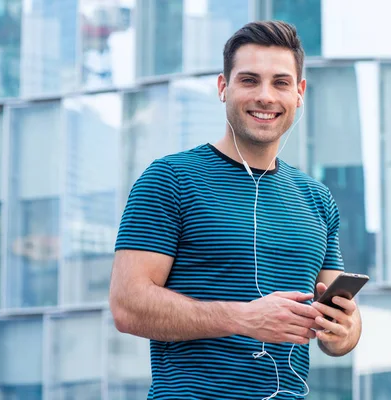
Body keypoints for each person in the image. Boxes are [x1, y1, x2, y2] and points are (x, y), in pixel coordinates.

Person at [109, 20, 362, 400]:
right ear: (223, 88)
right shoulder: (171, 178)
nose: (265, 96)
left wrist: (344, 330)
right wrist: (243, 318)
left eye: (280, 82)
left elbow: (342, 328)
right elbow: (127, 306)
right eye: (249, 80)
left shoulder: (316, 198)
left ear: (299, 93)